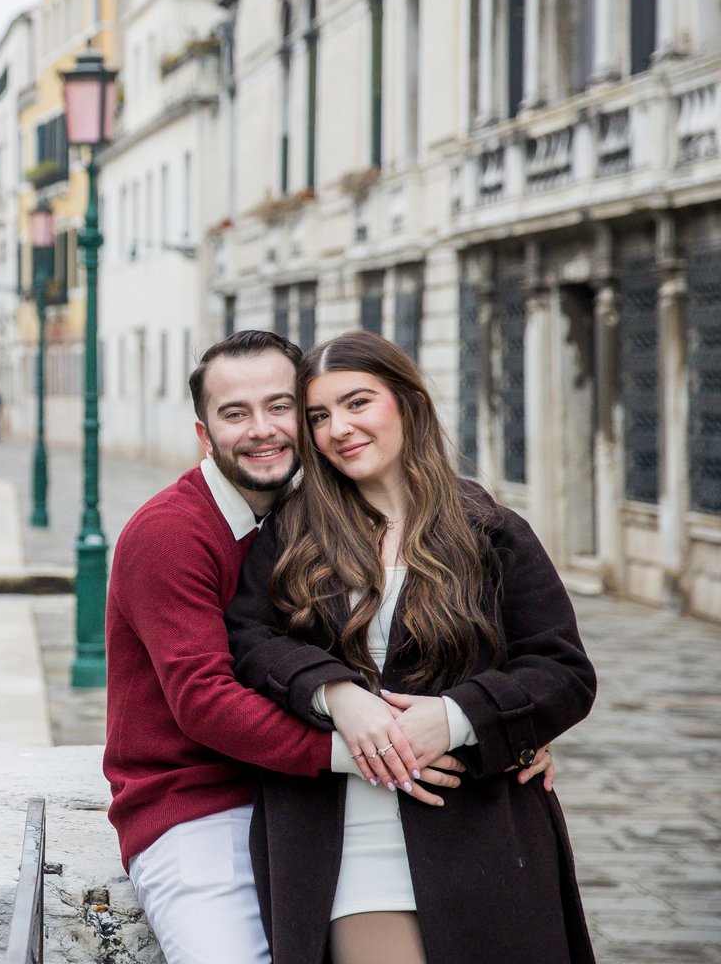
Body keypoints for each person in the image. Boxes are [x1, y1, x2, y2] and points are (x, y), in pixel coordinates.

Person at [103, 331, 553, 964]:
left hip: (300, 794)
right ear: (204, 434)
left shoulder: (313, 514)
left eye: (283, 407)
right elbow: (207, 696)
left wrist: (503, 719)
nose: (262, 430)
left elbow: (541, 659)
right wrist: (372, 746)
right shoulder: (171, 534)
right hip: (201, 801)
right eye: (235, 414)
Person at [226, 330, 595, 964]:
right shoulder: (292, 535)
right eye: (318, 416)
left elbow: (561, 671)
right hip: (347, 838)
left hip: (481, 831)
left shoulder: (491, 532)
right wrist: (336, 693)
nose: (339, 427)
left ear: (408, 402)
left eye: (357, 402)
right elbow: (249, 642)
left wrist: (455, 719)